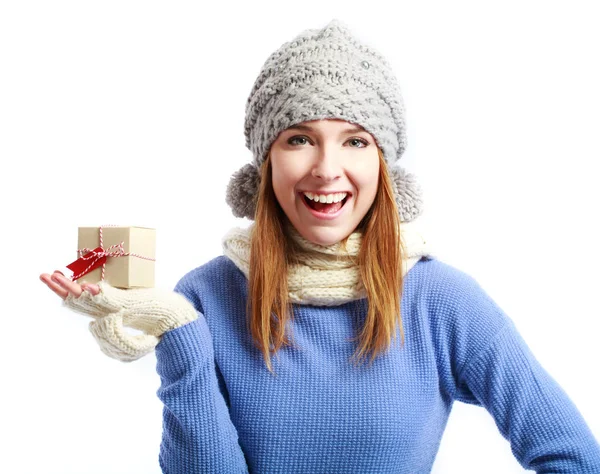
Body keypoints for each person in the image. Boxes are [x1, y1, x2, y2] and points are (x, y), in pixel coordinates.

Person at [40, 18, 600, 474]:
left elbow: (575, 459)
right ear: (265, 164)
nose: (327, 170)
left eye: (355, 141)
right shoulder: (207, 294)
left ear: (382, 166)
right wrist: (176, 330)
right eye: (300, 139)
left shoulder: (442, 300)